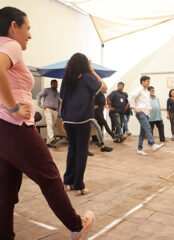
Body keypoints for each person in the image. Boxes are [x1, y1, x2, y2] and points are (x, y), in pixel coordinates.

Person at [0, 6, 94, 240]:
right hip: (15, 126)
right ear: (14, 26)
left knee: (5, 189)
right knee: (50, 176)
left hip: (2, 128)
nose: (30, 35)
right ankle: (75, 225)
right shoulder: (10, 45)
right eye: (28, 28)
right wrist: (13, 107)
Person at [61, 52, 107, 196]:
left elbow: (62, 100)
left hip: (68, 119)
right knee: (81, 152)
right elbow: (104, 88)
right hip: (82, 120)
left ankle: (67, 182)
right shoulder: (87, 77)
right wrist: (92, 71)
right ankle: (79, 186)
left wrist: (63, 118)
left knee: (72, 150)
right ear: (85, 65)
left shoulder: (66, 79)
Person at [128, 76, 164, 156]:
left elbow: (147, 102)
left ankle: (139, 149)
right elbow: (130, 97)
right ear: (143, 82)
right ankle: (153, 144)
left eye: (149, 81)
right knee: (148, 127)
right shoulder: (138, 90)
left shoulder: (147, 91)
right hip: (140, 113)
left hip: (146, 113)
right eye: (147, 81)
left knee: (142, 132)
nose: (149, 82)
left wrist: (150, 108)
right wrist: (134, 108)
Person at [36, 79, 61, 147]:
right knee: (49, 123)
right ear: (51, 84)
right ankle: (52, 138)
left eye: (56, 84)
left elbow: (59, 102)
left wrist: (58, 109)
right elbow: (38, 96)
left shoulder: (58, 93)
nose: (55, 85)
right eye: (54, 83)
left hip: (55, 111)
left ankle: (48, 142)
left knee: (52, 126)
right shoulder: (47, 90)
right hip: (48, 109)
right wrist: (41, 105)